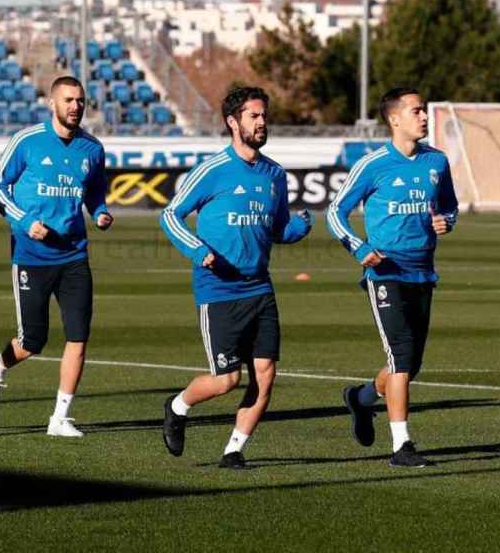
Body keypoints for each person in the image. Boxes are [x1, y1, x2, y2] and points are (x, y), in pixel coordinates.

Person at [159, 86, 312, 469]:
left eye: (264, 116)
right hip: (219, 290)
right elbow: (170, 215)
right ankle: (177, 407)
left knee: (264, 376)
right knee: (226, 380)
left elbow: (277, 229)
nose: (261, 123)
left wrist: (299, 228)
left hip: (260, 287)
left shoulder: (275, 175)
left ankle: (234, 450)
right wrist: (198, 251)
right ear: (233, 122)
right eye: (253, 116)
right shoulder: (213, 171)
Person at [327, 87, 458, 468]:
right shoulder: (373, 165)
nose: (423, 117)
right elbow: (336, 212)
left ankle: (362, 399)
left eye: (424, 110)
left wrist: (445, 221)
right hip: (384, 271)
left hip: (422, 272)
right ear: (394, 118)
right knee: (401, 358)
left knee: (409, 365)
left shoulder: (437, 161)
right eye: (416, 111)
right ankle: (402, 445)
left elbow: (449, 206)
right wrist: (358, 247)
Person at [0, 76, 112, 438]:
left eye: (80, 101)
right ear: (52, 104)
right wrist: (24, 221)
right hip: (32, 255)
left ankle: (60, 417)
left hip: (74, 256)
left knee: (78, 336)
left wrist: (99, 212)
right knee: (32, 341)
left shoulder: (93, 149)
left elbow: (95, 192)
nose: (75, 107)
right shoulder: (27, 141)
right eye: (68, 100)